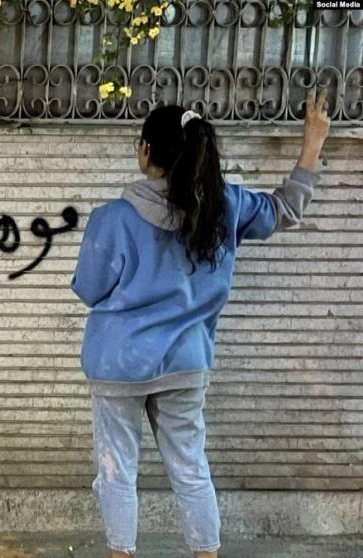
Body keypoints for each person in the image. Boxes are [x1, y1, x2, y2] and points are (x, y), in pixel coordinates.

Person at [70, 90, 331, 558]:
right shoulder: (225, 206)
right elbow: (286, 208)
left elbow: (89, 288)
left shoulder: (112, 218)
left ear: (146, 150)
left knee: (116, 471)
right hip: (185, 362)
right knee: (190, 469)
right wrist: (312, 143)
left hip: (118, 366)